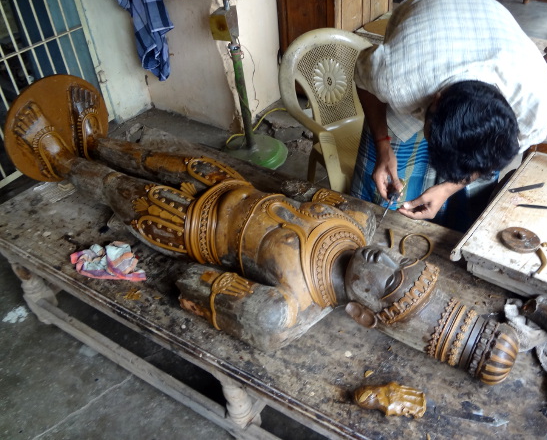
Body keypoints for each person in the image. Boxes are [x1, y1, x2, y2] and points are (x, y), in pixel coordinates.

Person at [4, 77, 519, 384]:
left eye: (386, 280)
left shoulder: (289, 303)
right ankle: (97, 141)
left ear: (362, 312)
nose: (382, 259)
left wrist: (234, 288)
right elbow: (294, 192)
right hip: (229, 183)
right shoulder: (356, 221)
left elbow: (191, 281)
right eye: (398, 260)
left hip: (195, 226)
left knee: (123, 190)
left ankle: (66, 160)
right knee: (154, 157)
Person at [350, 0, 547, 231]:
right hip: (428, 10)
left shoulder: (535, 104)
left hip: (487, 22)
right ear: (434, 101)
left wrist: (448, 188)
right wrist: (383, 145)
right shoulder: (397, 77)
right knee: (383, 182)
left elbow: (490, 161)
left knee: (470, 198)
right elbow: (363, 81)